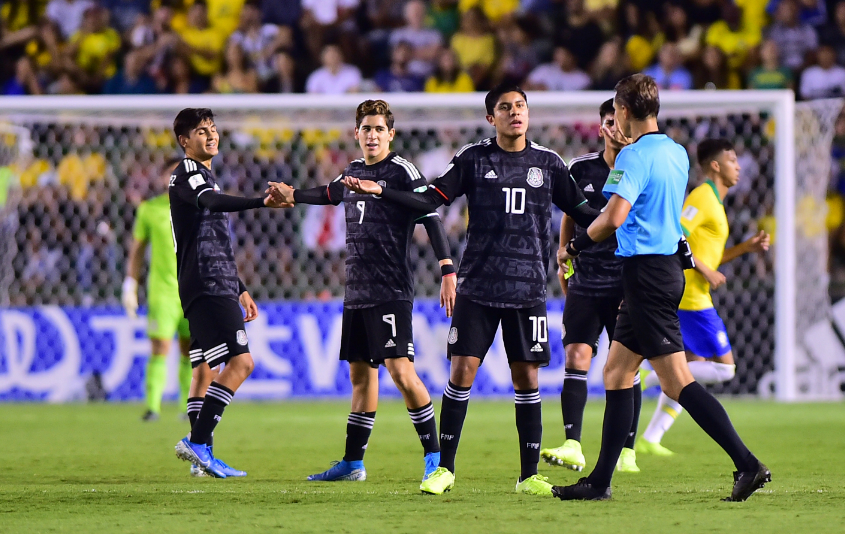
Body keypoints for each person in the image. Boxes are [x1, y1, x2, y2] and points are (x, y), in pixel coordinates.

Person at [342, 85, 599, 496]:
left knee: (526, 378)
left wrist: (621, 215)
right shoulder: (473, 159)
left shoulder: (549, 164)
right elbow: (431, 198)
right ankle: (444, 468)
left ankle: (528, 474)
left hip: (528, 288)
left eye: (520, 107)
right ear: (490, 118)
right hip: (477, 286)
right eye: (505, 108)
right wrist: (383, 191)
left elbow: (583, 212)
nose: (515, 113)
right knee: (461, 373)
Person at [552, 74, 770, 502]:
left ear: (626, 111)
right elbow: (647, 194)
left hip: (647, 274)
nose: (612, 115)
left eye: (615, 107)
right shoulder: (675, 152)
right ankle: (599, 481)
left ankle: (748, 464)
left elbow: (614, 217)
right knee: (616, 372)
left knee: (678, 383)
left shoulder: (634, 158)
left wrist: (574, 245)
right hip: (659, 271)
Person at [266, 100, 456, 482]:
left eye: (378, 128)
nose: (371, 135)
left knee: (401, 372)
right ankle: (354, 462)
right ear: (356, 133)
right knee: (360, 377)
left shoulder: (401, 170)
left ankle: (436, 458)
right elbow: (330, 193)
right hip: (357, 289)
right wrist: (293, 195)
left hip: (391, 289)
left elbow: (429, 213)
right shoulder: (351, 172)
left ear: (391, 134)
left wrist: (447, 268)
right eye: (365, 128)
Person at [170, 108, 292, 478]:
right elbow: (210, 203)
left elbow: (212, 240)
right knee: (241, 363)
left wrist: (239, 288)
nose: (211, 136)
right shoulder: (188, 174)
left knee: (205, 368)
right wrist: (261, 202)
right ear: (184, 141)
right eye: (201, 131)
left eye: (213, 129)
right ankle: (198, 443)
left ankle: (201, 460)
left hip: (215, 282)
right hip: (207, 285)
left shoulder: (204, 175)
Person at [636, 138, 771, 455]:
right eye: (733, 160)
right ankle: (650, 375)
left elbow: (710, 258)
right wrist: (703, 271)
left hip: (691, 293)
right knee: (724, 369)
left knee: (689, 370)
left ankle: (651, 438)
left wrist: (744, 249)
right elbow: (676, 234)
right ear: (715, 165)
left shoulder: (716, 203)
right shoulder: (702, 197)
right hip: (691, 298)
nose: (738, 166)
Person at [540, 98, 641, 474]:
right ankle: (572, 443)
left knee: (626, 366)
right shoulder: (580, 167)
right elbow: (569, 215)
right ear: (601, 127)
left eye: (620, 121)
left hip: (627, 279)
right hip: (585, 278)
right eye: (609, 121)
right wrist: (563, 256)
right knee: (576, 357)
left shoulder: (640, 165)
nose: (616, 127)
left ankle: (627, 450)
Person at [123, 158, 194, 424]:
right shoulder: (150, 210)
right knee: (161, 346)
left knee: (190, 350)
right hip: (162, 291)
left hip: (192, 289)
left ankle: (188, 407)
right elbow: (137, 251)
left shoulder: (199, 209)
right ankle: (152, 407)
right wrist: (130, 284)